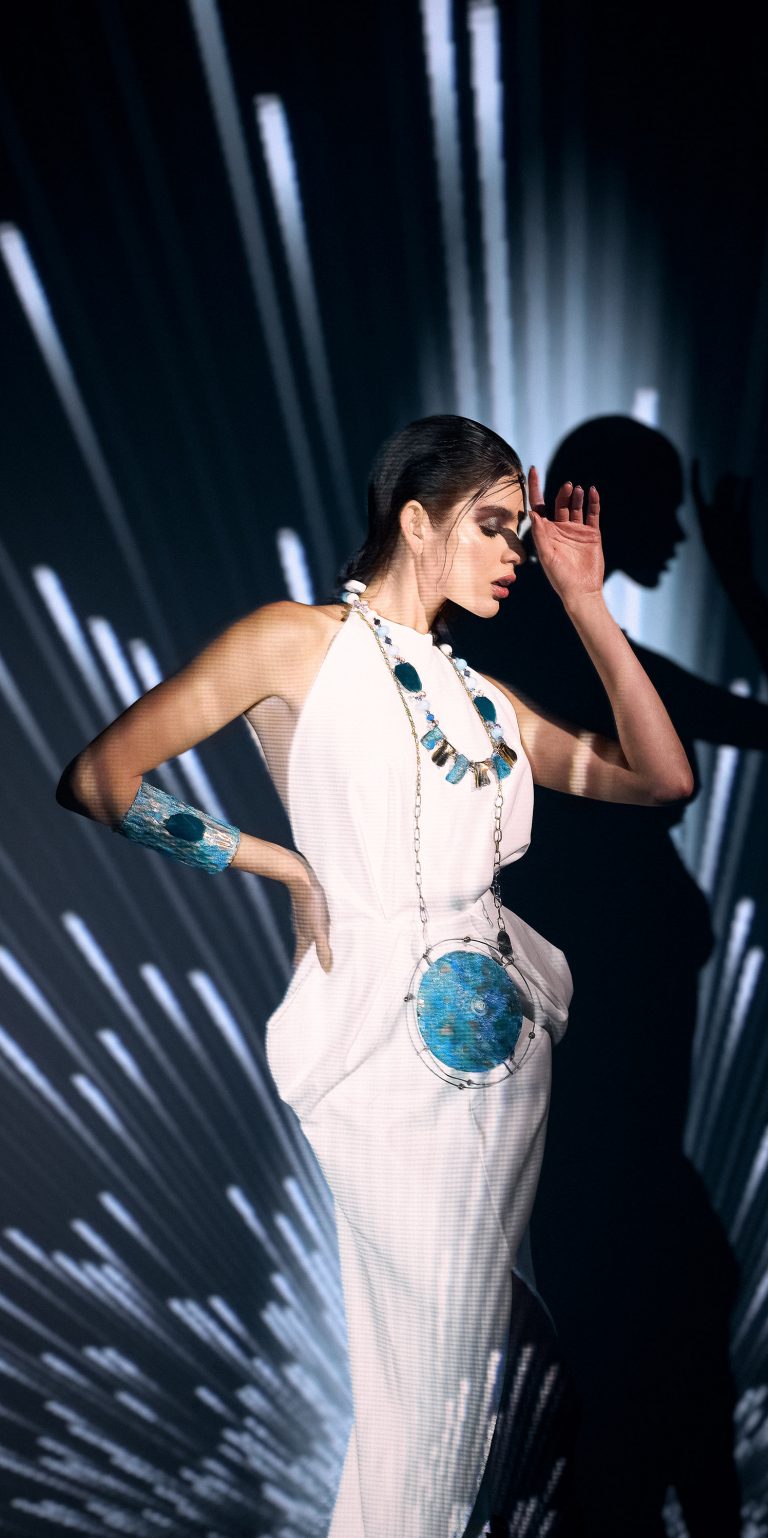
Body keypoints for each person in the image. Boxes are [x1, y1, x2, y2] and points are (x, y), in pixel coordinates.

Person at [55, 415, 694, 1538]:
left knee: (482, 1388)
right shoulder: (293, 642)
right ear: (416, 519)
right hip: (380, 1049)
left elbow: (663, 777)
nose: (515, 551)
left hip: (502, 1061)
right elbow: (102, 778)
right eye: (494, 525)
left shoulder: (484, 700)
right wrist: (276, 864)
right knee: (442, 1381)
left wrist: (588, 603)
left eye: (520, 534)